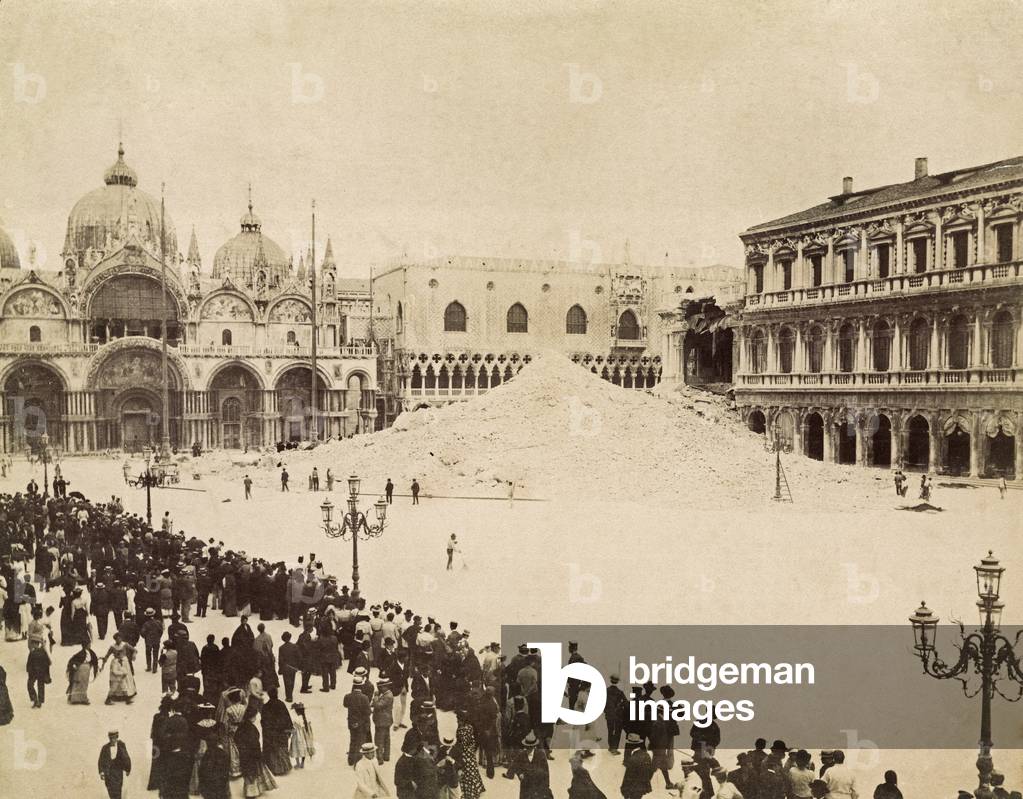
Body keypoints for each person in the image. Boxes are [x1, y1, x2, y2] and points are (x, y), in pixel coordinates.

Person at [505, 732, 550, 799]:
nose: (528, 749)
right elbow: (514, 766)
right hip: (525, 787)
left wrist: (546, 787)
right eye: (527, 747)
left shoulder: (541, 755)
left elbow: (546, 772)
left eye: (530, 747)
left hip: (537, 787)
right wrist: (520, 774)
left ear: (534, 746)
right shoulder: (521, 755)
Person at [98, 730, 132, 799]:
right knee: (111, 792)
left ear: (117, 737)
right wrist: (101, 772)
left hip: (118, 773)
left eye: (114, 738)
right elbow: (101, 760)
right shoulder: (105, 748)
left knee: (117, 791)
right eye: (110, 738)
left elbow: (126, 757)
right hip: (108, 774)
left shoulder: (121, 746)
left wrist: (128, 769)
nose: (112, 740)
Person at [290, 703, 315, 768]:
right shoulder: (306, 718)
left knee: (296, 748)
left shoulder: (296, 719)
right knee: (304, 748)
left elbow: (294, 727)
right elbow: (309, 729)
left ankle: (298, 763)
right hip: (305, 736)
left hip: (297, 735)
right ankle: (302, 763)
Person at [27, 642, 51, 708]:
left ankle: (35, 700)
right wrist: (47, 674)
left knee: (30, 685)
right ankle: (39, 700)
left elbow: (28, 664)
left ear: (35, 644)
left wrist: (29, 672)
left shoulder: (32, 653)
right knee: (40, 686)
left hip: (34, 672)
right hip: (40, 672)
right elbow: (48, 663)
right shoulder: (43, 652)